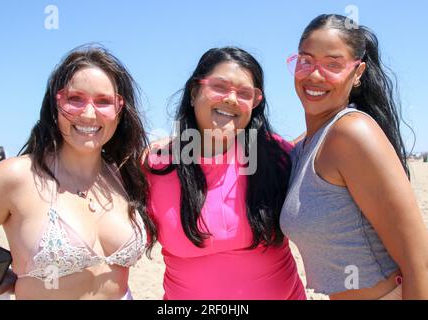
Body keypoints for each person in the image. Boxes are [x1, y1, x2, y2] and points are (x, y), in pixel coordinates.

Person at [0, 45, 156, 299]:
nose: (89, 113)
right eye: (75, 99)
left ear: (119, 111)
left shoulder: (125, 175)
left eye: (104, 102)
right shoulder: (18, 176)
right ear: (55, 104)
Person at [280, 14, 428, 299]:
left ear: (358, 73)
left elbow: (419, 263)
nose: (314, 74)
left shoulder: (352, 133)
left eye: (333, 64)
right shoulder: (308, 145)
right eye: (306, 60)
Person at [145, 47, 306, 300]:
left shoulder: (277, 157)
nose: (231, 99)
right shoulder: (156, 166)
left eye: (244, 93)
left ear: (255, 102)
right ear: (194, 92)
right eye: (219, 87)